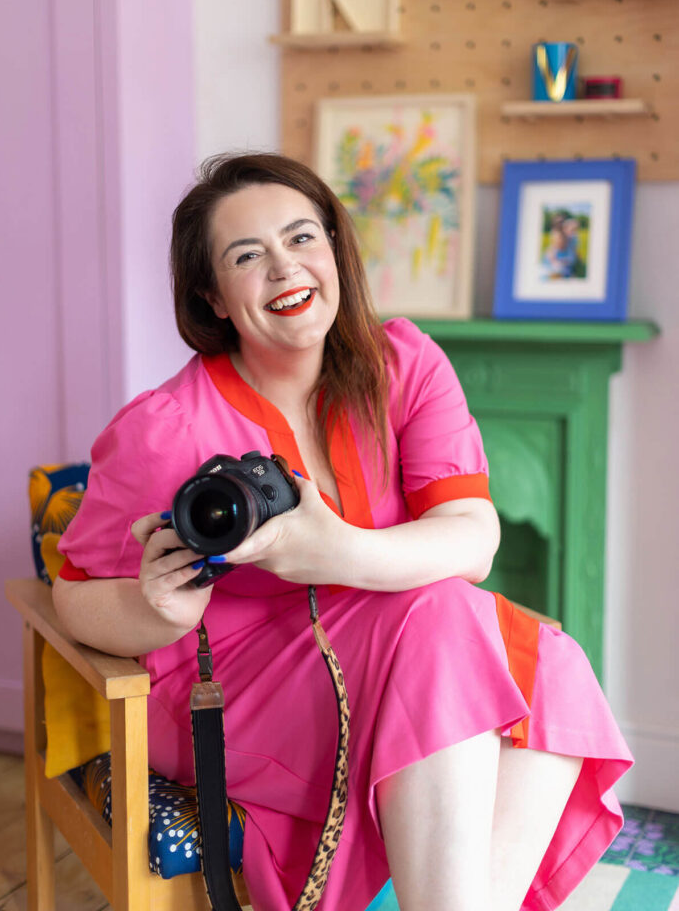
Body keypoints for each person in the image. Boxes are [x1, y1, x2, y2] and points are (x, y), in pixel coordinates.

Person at [53, 153, 632, 911]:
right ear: (213, 296)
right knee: (455, 626)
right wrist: (155, 605)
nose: (284, 269)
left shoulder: (404, 365)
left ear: (333, 249)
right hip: (228, 684)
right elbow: (72, 598)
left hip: (399, 653)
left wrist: (334, 552)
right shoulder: (164, 428)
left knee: (534, 658)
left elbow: (472, 539)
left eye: (301, 238)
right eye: (246, 256)